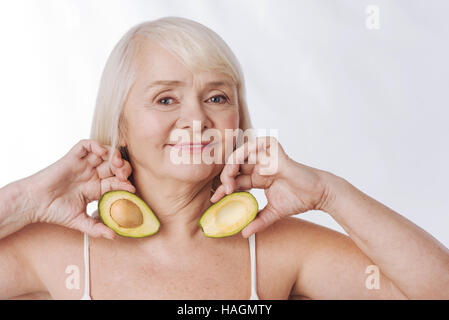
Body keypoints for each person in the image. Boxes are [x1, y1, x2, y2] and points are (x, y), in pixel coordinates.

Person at [1, 17, 448, 300]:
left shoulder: (281, 249)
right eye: (165, 99)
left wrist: (330, 194)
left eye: (216, 96)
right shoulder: (57, 251)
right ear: (120, 126)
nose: (196, 117)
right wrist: (21, 201)